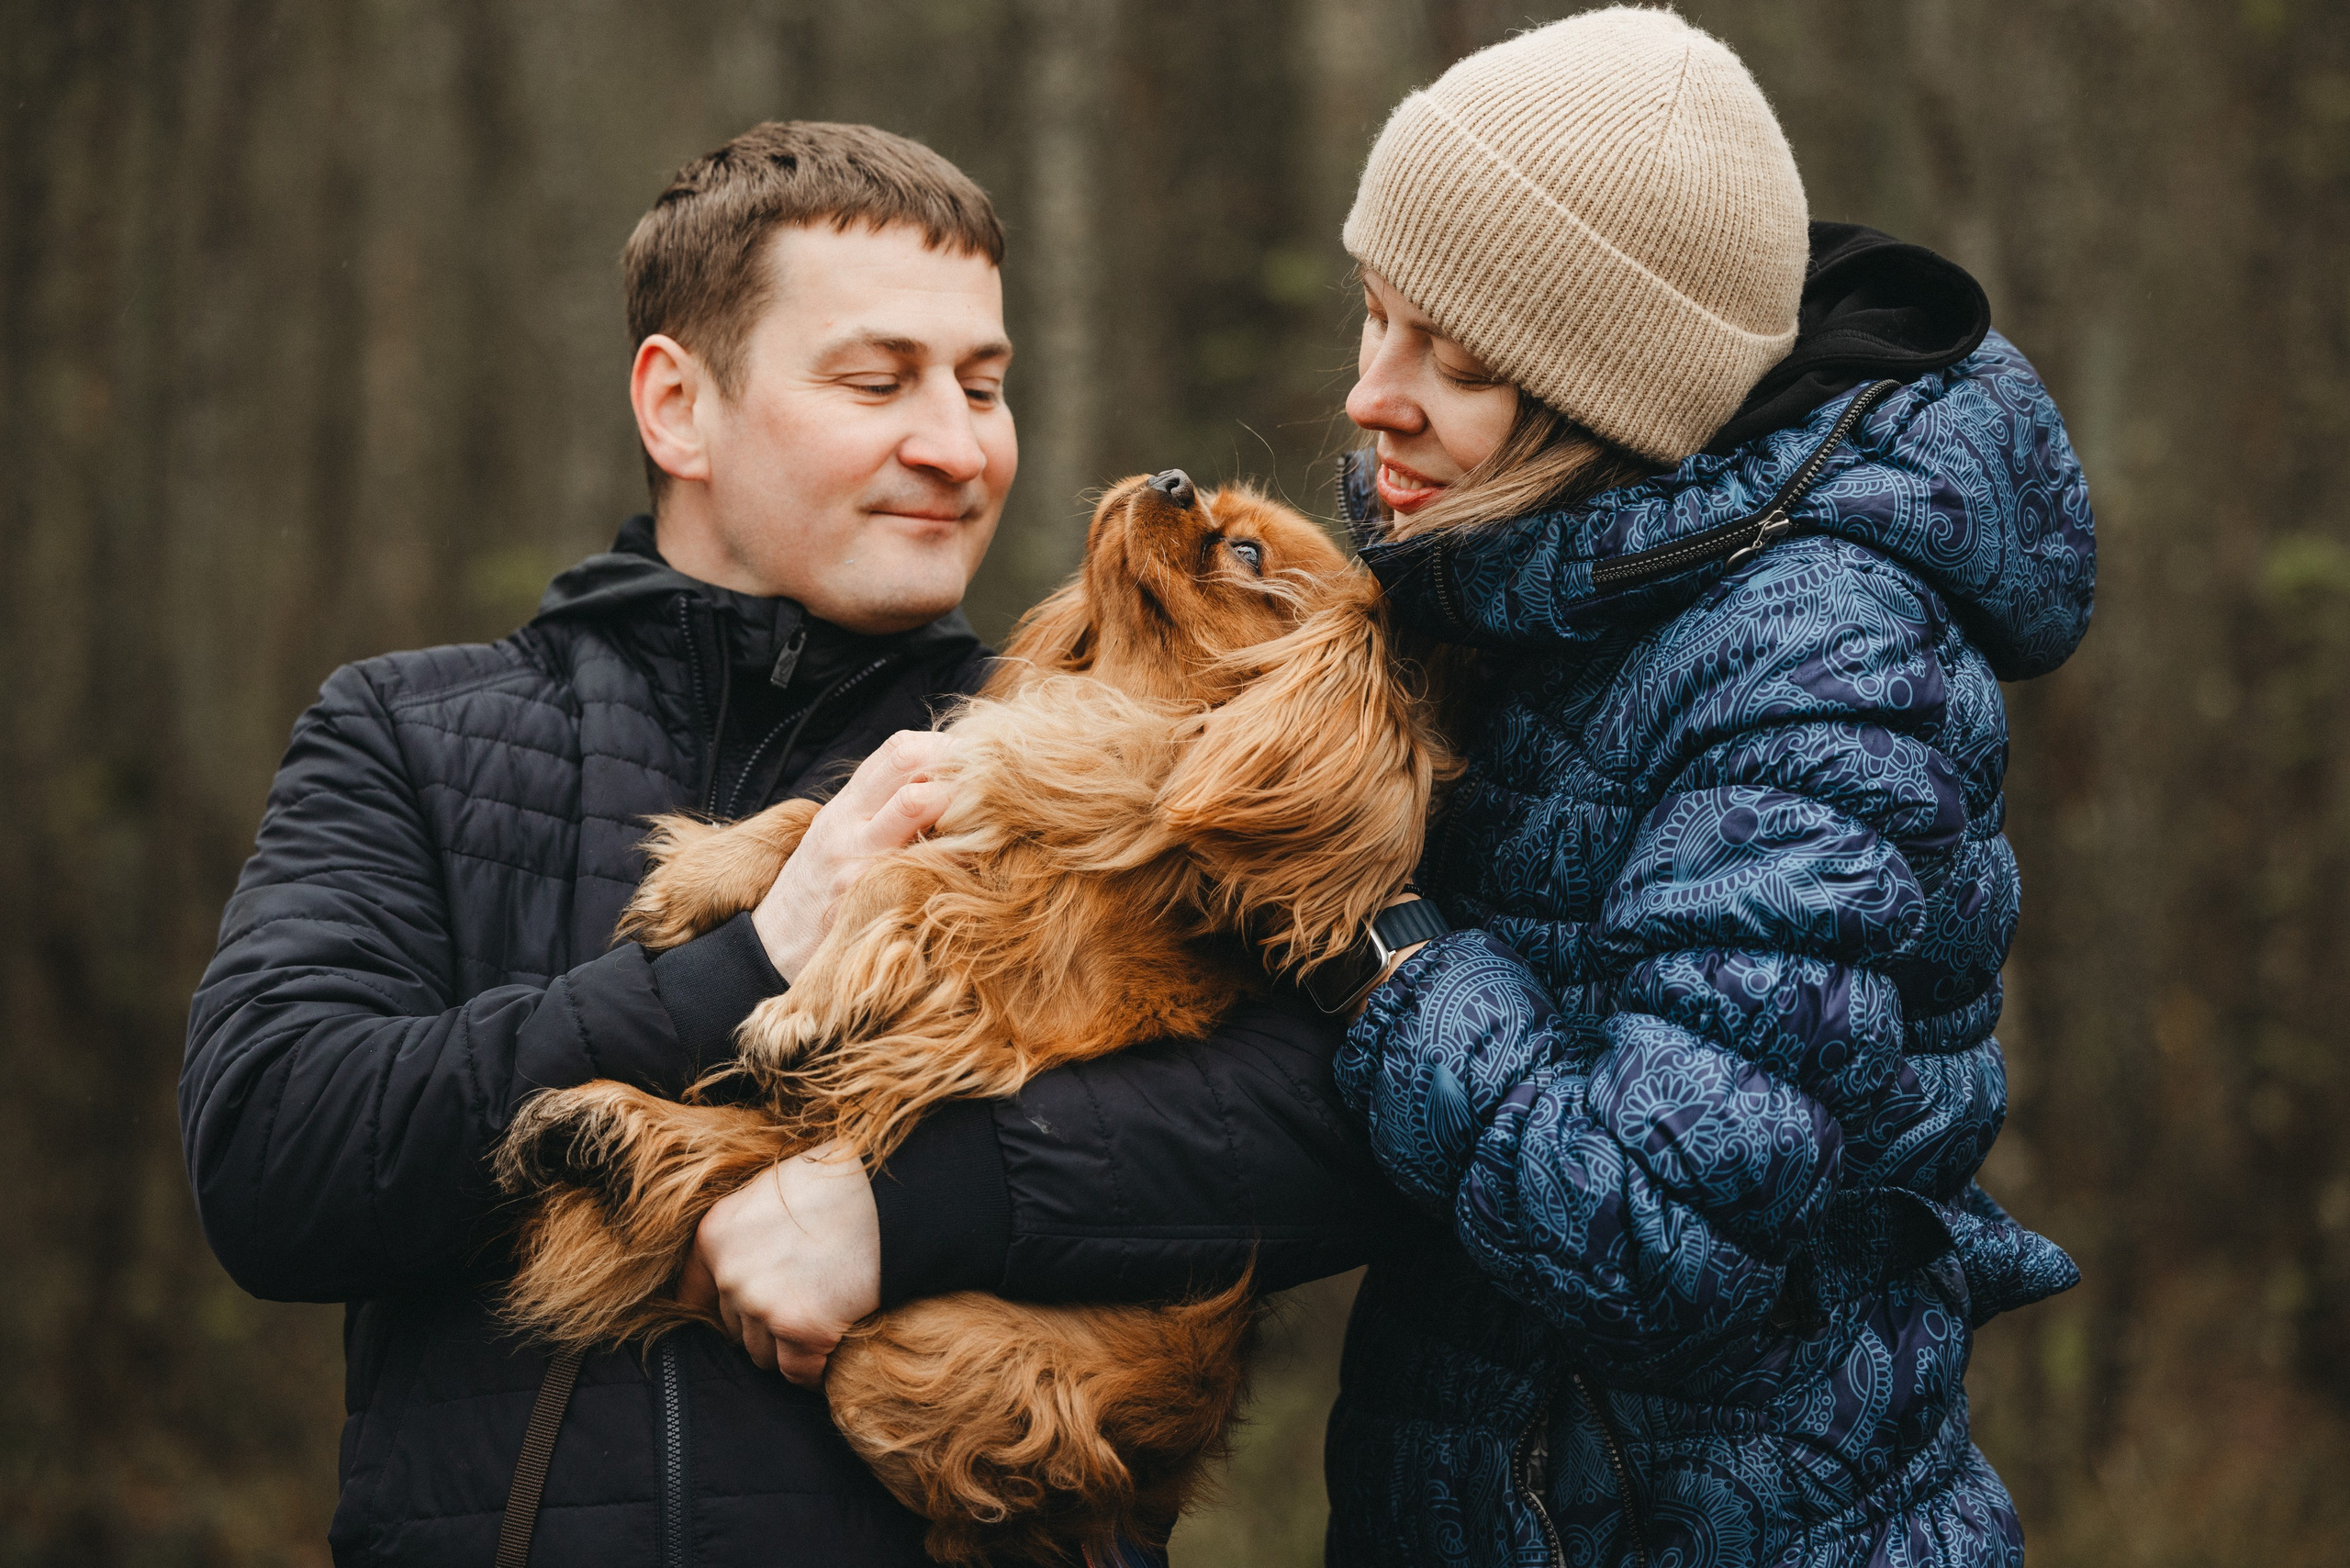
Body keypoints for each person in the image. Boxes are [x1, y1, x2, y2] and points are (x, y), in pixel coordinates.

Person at [789, 9, 2094, 1567]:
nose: (1370, 397)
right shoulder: (1500, 577)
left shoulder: (1824, 670)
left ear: (1610, 397)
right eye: (1377, 317)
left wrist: (1369, 940)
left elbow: (1655, 1229)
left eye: (1458, 360)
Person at [180, 120, 1384, 1567]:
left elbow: (1337, 1131)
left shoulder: (1133, 757)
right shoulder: (410, 735)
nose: (956, 446)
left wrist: (909, 1210)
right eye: (877, 381)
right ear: (678, 407)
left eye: (985, 387)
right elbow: (273, 1157)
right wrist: (743, 960)